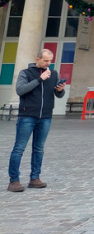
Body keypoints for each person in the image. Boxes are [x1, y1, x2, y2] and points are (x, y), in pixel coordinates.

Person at [7, 49, 66, 192]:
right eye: (45, 61)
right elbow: (21, 90)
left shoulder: (53, 74)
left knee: (39, 149)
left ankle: (35, 178)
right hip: (27, 116)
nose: (48, 64)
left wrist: (60, 90)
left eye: (50, 61)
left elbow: (58, 95)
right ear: (37, 59)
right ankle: (14, 181)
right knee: (19, 148)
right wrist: (40, 79)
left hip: (45, 117)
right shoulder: (25, 73)